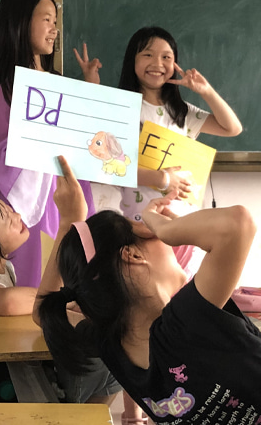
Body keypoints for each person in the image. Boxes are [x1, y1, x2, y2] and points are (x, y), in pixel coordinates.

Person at [34, 157, 261, 424]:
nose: (165, 240)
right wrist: (163, 226)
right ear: (133, 256)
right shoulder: (186, 322)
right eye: (146, 231)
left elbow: (44, 310)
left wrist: (66, 224)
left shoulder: (111, 343)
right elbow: (237, 224)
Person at [0, 190, 121, 405]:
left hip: (16, 367)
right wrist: (60, 298)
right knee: (109, 359)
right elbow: (8, 302)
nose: (18, 216)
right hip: (2, 384)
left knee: (113, 360)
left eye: (11, 211)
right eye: (8, 220)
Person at [77, 28, 242, 277]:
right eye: (147, 54)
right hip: (140, 227)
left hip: (184, 227)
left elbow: (232, 128)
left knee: (182, 294)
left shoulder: (182, 112)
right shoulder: (121, 109)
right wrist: (162, 178)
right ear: (132, 60)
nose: (158, 64)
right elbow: (106, 167)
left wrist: (206, 91)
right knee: (151, 298)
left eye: (166, 57)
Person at [0, 0, 97, 287]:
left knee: (70, 271)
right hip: (29, 198)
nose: (54, 29)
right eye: (47, 19)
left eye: (55, 21)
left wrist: (89, 92)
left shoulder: (58, 82)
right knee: (34, 280)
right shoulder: (9, 87)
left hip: (63, 190)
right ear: (21, 23)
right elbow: (4, 150)